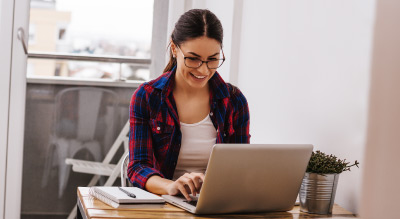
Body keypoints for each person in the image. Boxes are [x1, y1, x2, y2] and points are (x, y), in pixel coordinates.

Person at [127, 9, 250, 201]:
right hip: (165, 204)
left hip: (218, 204)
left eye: (213, 59)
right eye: (193, 58)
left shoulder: (235, 101)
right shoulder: (147, 97)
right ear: (175, 49)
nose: (203, 69)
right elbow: (137, 167)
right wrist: (171, 186)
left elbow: (242, 166)